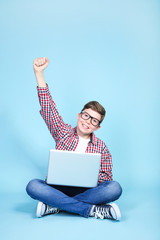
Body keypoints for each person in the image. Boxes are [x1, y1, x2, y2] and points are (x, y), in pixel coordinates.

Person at [26, 57, 122, 220]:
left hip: (87, 192)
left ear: (97, 127)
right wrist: (39, 73)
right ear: (79, 116)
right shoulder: (62, 132)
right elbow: (48, 107)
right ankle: (90, 210)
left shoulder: (102, 147)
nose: (87, 121)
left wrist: (90, 175)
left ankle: (54, 205)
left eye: (94, 120)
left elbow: (106, 179)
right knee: (33, 186)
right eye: (86, 115)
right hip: (57, 189)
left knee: (114, 188)